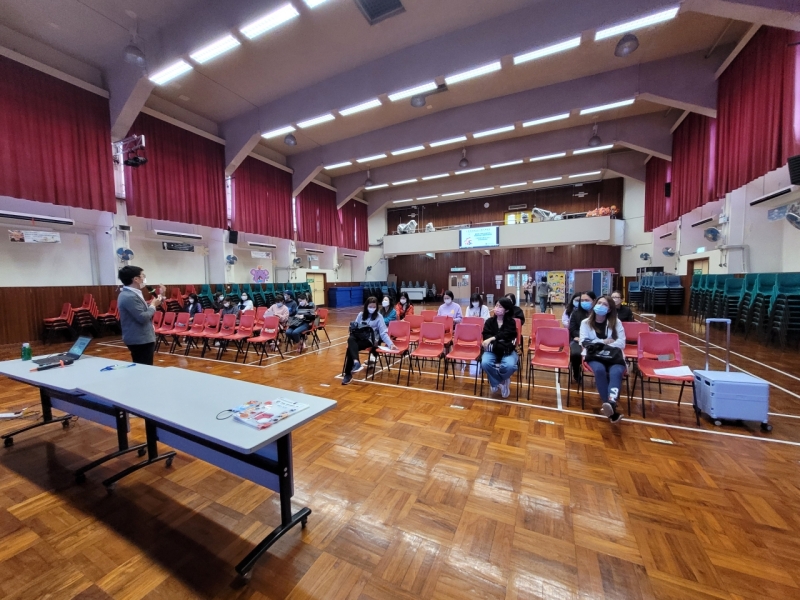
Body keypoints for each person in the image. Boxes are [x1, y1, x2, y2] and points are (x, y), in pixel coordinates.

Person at [580, 295, 626, 423]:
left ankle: (610, 405)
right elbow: (584, 342)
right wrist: (604, 341)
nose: (601, 306)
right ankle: (611, 406)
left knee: (616, 372)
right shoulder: (585, 323)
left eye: (605, 304)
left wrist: (597, 343)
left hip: (614, 356)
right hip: (594, 356)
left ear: (609, 309)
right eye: (599, 303)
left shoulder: (616, 322)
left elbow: (621, 343)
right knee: (599, 370)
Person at [343, 296, 396, 385]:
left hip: (370, 340)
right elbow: (355, 328)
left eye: (374, 307)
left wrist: (391, 344)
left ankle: (348, 374)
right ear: (366, 306)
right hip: (359, 337)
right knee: (351, 339)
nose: (372, 308)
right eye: (370, 306)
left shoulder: (379, 317)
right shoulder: (361, 315)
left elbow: (383, 333)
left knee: (350, 348)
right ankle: (356, 362)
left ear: (376, 307)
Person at [117, 265, 162, 365]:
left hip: (142, 338)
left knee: (143, 366)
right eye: (142, 276)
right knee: (145, 367)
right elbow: (142, 317)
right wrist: (153, 306)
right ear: (136, 279)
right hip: (140, 339)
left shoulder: (132, 293)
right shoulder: (129, 296)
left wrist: (155, 303)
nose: (144, 278)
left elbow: (140, 311)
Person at [481, 298, 519, 399]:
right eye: (496, 305)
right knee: (485, 363)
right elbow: (486, 336)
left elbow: (508, 335)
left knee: (510, 366)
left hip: (507, 350)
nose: (497, 308)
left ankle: (495, 381)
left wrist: (493, 338)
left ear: (506, 310)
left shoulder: (511, 322)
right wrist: (499, 340)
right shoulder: (489, 322)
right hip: (492, 350)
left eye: (500, 306)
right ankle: (501, 382)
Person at [568, 291, 597, 383]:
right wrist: (581, 337)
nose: (584, 302)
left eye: (587, 300)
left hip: (596, 340)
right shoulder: (575, 313)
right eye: (582, 300)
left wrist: (589, 338)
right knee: (576, 353)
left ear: (594, 301)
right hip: (577, 339)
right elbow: (573, 330)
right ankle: (576, 373)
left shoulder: (598, 314)